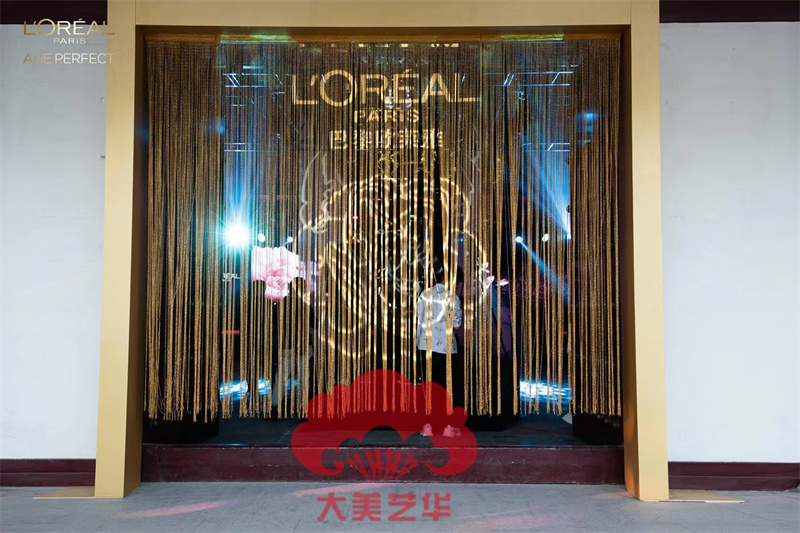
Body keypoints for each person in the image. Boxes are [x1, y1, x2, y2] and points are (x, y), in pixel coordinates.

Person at [416, 272, 463, 438]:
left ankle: (427, 426)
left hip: (425, 346)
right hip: (446, 348)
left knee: (428, 387)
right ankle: (447, 427)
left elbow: (418, 316)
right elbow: (457, 324)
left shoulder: (424, 294)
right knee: (447, 389)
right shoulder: (452, 297)